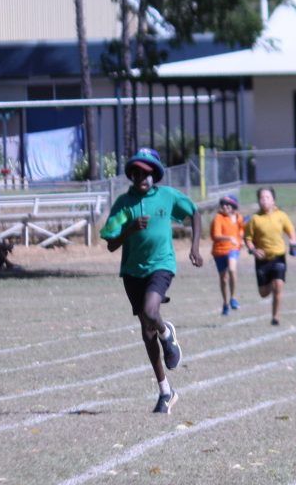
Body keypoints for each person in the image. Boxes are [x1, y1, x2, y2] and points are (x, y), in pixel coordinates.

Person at [99, 148, 203, 414]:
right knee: (146, 332)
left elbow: (194, 212)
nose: (142, 177)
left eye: (147, 172)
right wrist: (129, 229)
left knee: (150, 311)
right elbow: (111, 244)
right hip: (132, 271)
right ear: (132, 175)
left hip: (161, 264)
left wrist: (194, 248)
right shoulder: (124, 204)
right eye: (137, 172)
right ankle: (165, 391)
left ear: (154, 174)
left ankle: (167, 334)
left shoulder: (166, 196)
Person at [244, 187, 296, 326]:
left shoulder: (281, 216)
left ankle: (276, 317)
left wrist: (293, 242)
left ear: (273, 199)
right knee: (263, 293)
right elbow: (248, 238)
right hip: (262, 259)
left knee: (278, 286)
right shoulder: (254, 219)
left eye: (267, 197)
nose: (264, 200)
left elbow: (291, 232)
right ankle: (269, 284)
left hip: (278, 256)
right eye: (261, 198)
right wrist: (253, 250)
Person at [209, 194, 245, 315]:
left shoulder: (239, 217)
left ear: (233, 206)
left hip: (233, 249)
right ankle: (225, 303)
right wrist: (229, 238)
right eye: (223, 204)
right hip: (219, 251)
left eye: (228, 204)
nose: (225, 206)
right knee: (223, 278)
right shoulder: (218, 218)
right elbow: (215, 236)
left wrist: (242, 239)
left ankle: (233, 298)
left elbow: (242, 230)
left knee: (232, 269)